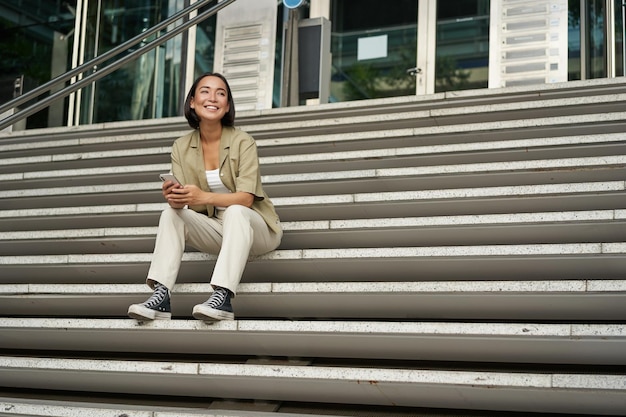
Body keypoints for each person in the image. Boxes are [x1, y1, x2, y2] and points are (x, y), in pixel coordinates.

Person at [128, 72, 282, 321]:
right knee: (171, 213)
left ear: (228, 105)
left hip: (257, 231)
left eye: (221, 93)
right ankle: (161, 296)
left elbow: (245, 199)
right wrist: (175, 196)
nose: (213, 98)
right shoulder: (181, 146)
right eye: (205, 91)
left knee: (235, 210)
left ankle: (222, 296)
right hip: (218, 231)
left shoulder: (244, 142)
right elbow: (187, 201)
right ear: (192, 101)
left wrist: (202, 197)